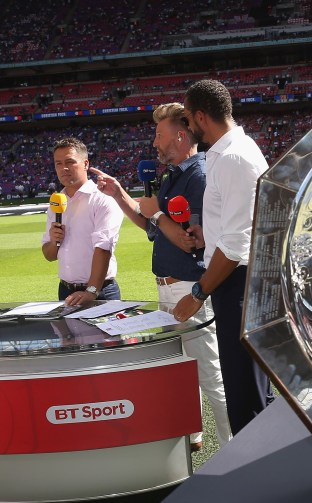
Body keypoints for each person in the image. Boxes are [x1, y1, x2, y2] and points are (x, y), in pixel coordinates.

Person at [93, 102, 232, 451]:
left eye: (159, 134)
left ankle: (235, 446)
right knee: (184, 370)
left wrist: (157, 216)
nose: (154, 142)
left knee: (210, 374)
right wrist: (120, 194)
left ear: (181, 135)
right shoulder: (174, 174)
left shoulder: (198, 176)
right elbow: (150, 225)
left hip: (189, 287)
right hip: (170, 287)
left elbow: (190, 242)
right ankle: (195, 434)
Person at [171, 79, 272, 435]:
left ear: (201, 115)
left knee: (245, 391)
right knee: (241, 385)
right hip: (234, 281)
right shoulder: (225, 153)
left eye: (187, 117)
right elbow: (232, 228)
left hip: (239, 284)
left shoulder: (233, 157)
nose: (186, 125)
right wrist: (205, 235)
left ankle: (257, 476)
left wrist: (197, 294)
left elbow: (235, 246)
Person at [42, 137, 123, 305]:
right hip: (65, 291)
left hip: (99, 291)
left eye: (70, 162)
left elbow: (103, 248)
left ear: (85, 164)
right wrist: (54, 241)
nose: (64, 168)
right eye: (58, 163)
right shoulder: (56, 202)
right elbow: (49, 255)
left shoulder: (103, 198)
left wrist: (91, 291)